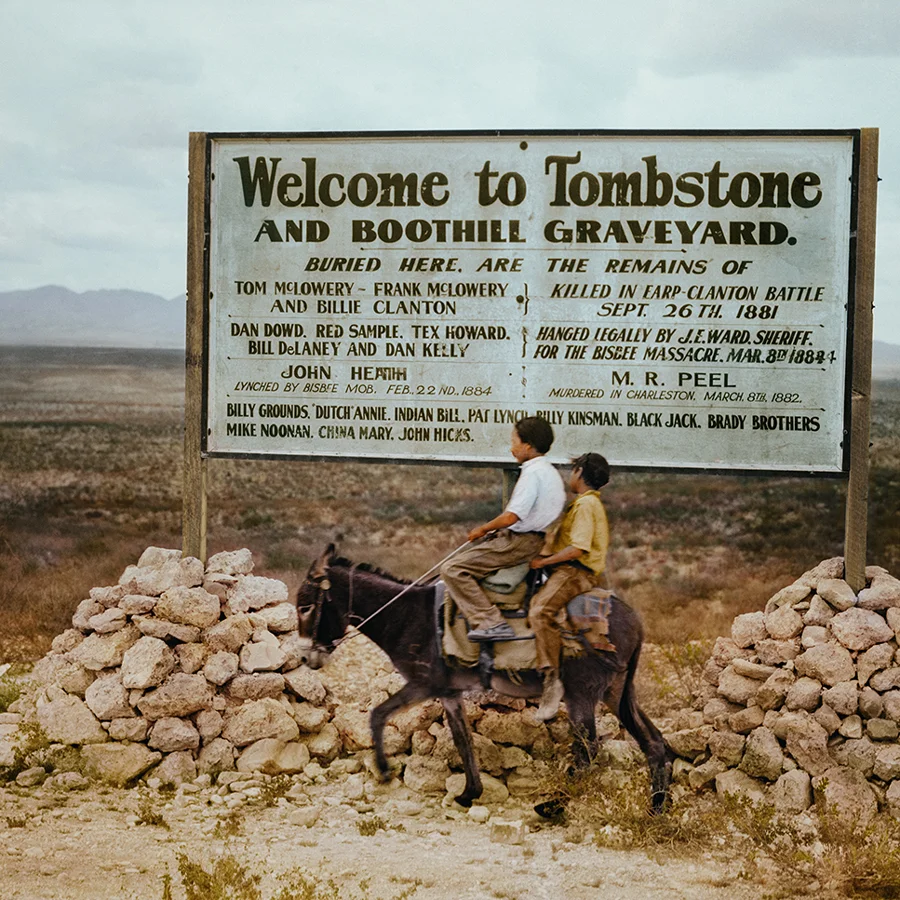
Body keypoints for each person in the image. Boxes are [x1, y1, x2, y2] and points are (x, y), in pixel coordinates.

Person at [442, 416, 566, 642]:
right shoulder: (549, 471)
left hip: (520, 540)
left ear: (527, 446)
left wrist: (483, 529)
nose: (512, 448)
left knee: (452, 568)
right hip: (531, 537)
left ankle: (491, 623)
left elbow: (511, 516)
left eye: (514, 442)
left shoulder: (532, 474)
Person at [528, 452, 610, 721]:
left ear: (580, 472)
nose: (570, 474)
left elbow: (578, 549)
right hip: (571, 569)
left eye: (573, 469)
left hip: (575, 573)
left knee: (540, 611)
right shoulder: (584, 504)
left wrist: (544, 562)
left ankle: (552, 682)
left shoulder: (586, 505)